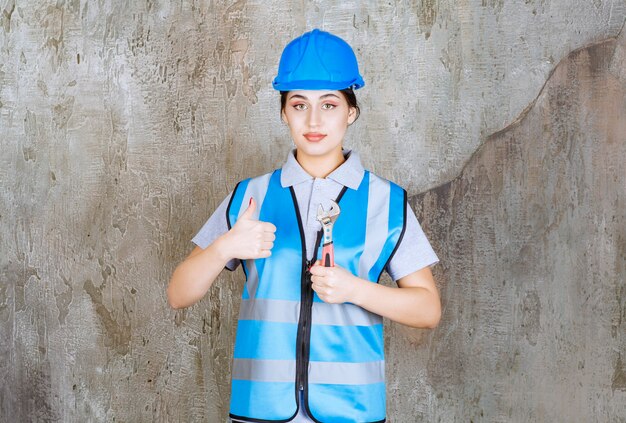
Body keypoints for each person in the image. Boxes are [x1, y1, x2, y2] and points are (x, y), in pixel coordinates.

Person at [167, 28, 441, 423]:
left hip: (353, 412)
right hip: (260, 411)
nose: (314, 120)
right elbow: (178, 293)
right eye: (299, 105)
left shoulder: (387, 201)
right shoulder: (250, 197)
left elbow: (427, 309)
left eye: (329, 105)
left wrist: (354, 289)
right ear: (283, 112)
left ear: (351, 111)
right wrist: (224, 247)